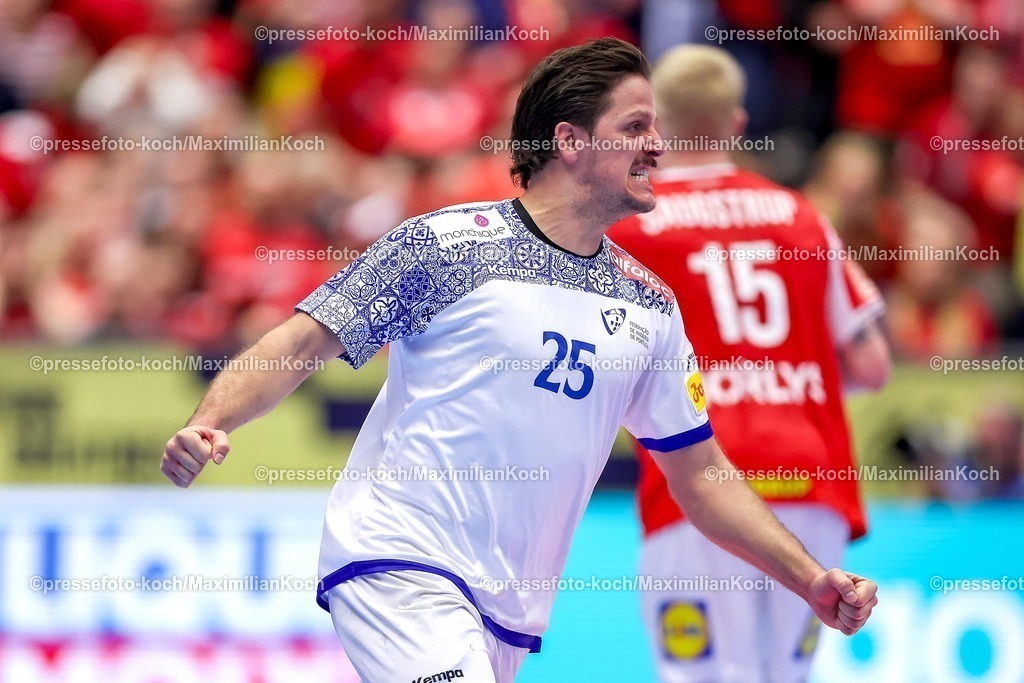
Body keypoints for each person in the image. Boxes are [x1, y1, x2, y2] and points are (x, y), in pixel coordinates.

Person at [161, 38, 878, 682]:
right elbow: (304, 339)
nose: (658, 145)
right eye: (635, 127)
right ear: (569, 141)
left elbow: (702, 473)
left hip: (510, 608)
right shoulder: (445, 244)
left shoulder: (652, 304)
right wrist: (212, 420)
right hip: (397, 560)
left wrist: (810, 578)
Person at [608, 45, 890, 683]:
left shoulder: (632, 227)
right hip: (808, 473)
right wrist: (790, 379)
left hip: (702, 475)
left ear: (654, 126)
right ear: (736, 123)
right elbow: (872, 366)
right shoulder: (802, 217)